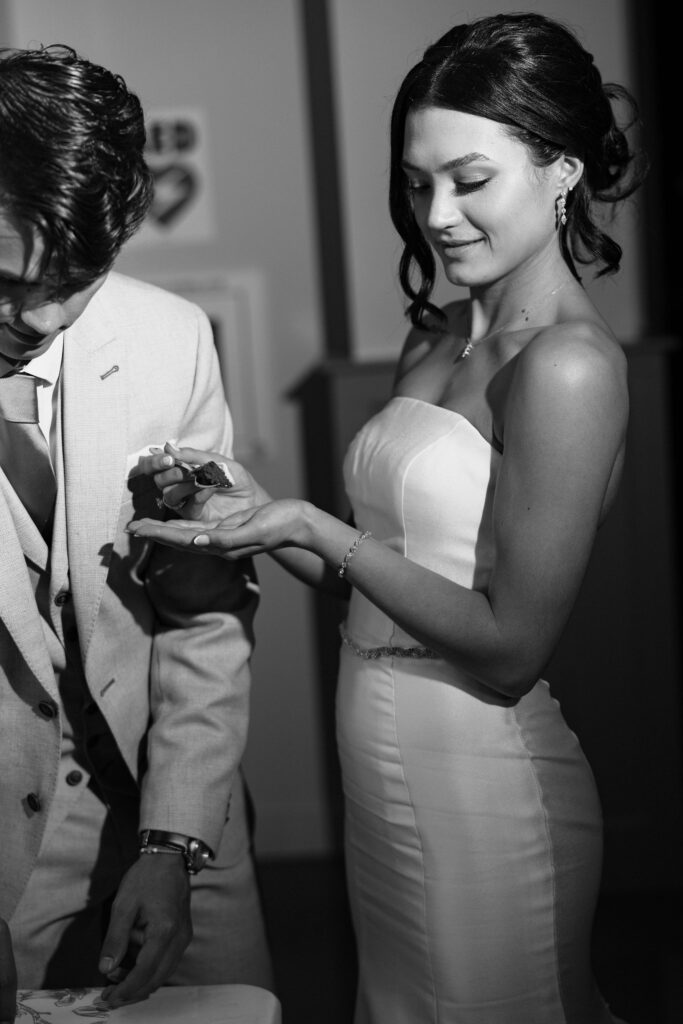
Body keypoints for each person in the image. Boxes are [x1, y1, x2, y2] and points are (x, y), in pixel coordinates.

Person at [129, 11, 646, 1023]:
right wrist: (253, 513)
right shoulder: (437, 336)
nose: (437, 215)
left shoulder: (568, 367)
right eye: (416, 184)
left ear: (562, 171)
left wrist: (316, 527)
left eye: (469, 179)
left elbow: (509, 649)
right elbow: (381, 585)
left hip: (486, 787)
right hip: (376, 764)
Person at [0, 44, 273, 1015]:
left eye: (73, 280)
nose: (38, 316)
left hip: (178, 828)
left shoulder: (171, 340)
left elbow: (205, 614)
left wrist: (174, 839)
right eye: (7, 278)